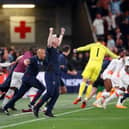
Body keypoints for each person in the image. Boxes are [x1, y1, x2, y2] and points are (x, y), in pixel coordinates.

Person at [73, 38, 119, 108]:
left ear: (97, 41)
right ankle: (85, 99)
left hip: (90, 64)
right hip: (98, 67)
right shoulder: (104, 48)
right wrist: (120, 57)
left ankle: (79, 96)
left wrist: (77, 49)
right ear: (103, 42)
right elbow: (113, 55)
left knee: (84, 80)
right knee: (91, 83)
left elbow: (84, 48)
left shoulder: (93, 45)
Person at [33, 27, 65, 118]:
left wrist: (62, 34)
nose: (57, 39)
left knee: (56, 93)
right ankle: (37, 106)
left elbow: (59, 41)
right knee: (50, 92)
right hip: (50, 73)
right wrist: (51, 32)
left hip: (56, 74)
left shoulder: (56, 49)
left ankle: (48, 110)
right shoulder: (50, 49)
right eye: (56, 38)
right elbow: (48, 42)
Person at [3, 49, 46, 115]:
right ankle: (32, 104)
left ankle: (5, 107)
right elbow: (26, 61)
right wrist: (26, 62)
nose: (44, 55)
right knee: (42, 88)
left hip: (27, 78)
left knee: (19, 95)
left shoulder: (41, 60)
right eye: (43, 53)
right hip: (29, 78)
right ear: (39, 54)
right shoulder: (34, 58)